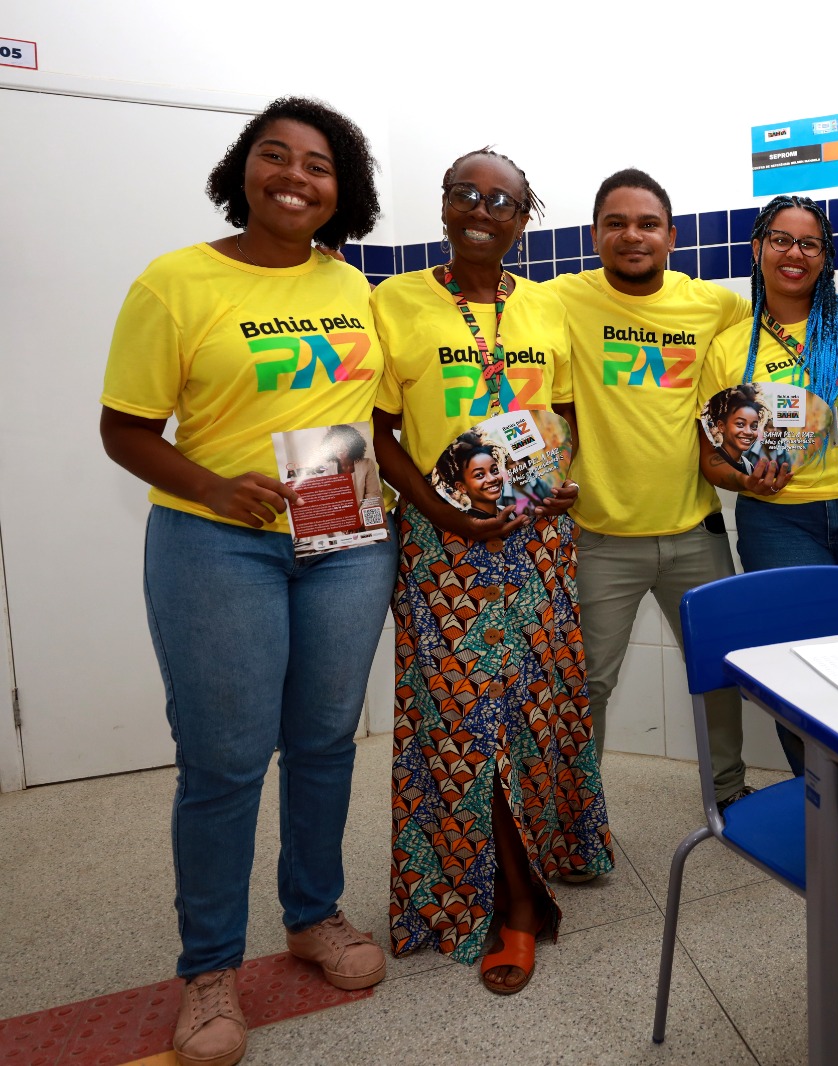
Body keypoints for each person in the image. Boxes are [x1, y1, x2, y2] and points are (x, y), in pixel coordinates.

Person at [99, 97, 393, 1066]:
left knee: (321, 741)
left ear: (339, 191)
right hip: (215, 541)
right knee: (225, 760)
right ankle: (210, 969)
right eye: (278, 156)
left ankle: (313, 914)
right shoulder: (175, 281)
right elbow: (126, 428)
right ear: (246, 166)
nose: (296, 177)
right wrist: (217, 488)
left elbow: (379, 412)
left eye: (320, 165)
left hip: (343, 534)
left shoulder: (355, 286)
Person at [370, 148, 612, 996]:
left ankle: (560, 847)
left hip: (537, 537)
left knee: (540, 707)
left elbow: (564, 411)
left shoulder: (545, 308)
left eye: (502, 199)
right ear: (443, 206)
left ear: (522, 217)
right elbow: (378, 429)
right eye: (466, 193)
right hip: (445, 550)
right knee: (462, 720)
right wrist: (442, 513)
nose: (483, 208)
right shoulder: (394, 302)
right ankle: (507, 898)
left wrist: (553, 479)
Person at [547, 169, 754, 811]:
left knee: (719, 674)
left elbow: (785, 323)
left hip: (696, 532)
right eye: (616, 223)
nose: (631, 235)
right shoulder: (557, 299)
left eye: (646, 224)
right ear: (594, 235)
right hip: (599, 539)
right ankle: (579, 817)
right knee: (586, 687)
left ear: (671, 236)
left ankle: (728, 792)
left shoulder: (714, 305)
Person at [700, 194, 838, 774]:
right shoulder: (730, 348)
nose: (794, 254)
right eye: (781, 240)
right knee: (798, 670)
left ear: (825, 257)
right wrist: (752, 481)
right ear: (757, 248)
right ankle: (818, 803)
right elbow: (712, 462)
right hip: (780, 524)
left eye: (809, 243)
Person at [705, 383, 767, 474]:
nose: (748, 432)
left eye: (754, 426)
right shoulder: (712, 459)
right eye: (740, 424)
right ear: (721, 426)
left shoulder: (748, 467)